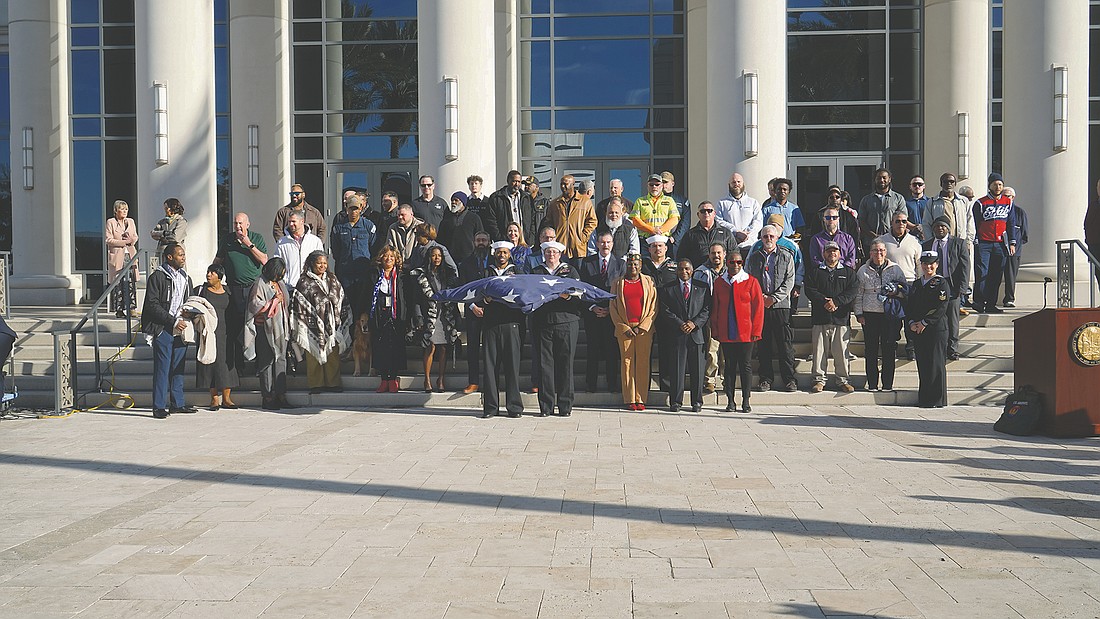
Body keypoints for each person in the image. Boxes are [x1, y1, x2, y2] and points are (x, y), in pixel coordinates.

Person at [141, 243, 195, 419]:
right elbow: (152, 305)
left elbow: (190, 301)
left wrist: (190, 312)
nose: (183, 257)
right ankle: (158, 406)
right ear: (169, 257)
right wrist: (172, 322)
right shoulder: (157, 277)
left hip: (182, 327)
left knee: (178, 366)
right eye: (180, 255)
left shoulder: (186, 278)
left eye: (184, 254)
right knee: (163, 368)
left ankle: (177, 403)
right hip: (163, 328)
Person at [470, 241, 524, 418]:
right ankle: (490, 408)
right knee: (490, 367)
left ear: (510, 254)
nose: (502, 255)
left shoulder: (518, 273)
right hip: (490, 324)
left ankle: (514, 407)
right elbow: (476, 295)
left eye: (505, 253)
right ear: (494, 254)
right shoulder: (485, 273)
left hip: (511, 324)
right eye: (499, 252)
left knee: (512, 367)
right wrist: (484, 302)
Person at [531, 240, 582, 417]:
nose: (551, 255)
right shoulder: (536, 272)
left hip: (566, 322)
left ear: (560, 254)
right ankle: (546, 406)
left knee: (565, 365)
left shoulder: (570, 271)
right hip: (543, 323)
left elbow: (579, 294)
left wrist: (565, 295)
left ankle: (565, 406)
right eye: (547, 252)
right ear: (543, 254)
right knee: (545, 365)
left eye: (554, 252)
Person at [746, 225, 798, 393]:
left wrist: (773, 298)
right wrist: (761, 298)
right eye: (765, 236)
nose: (768, 239)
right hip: (760, 307)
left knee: (785, 345)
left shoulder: (786, 256)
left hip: (781, 306)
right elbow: (749, 278)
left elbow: (789, 281)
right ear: (761, 238)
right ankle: (765, 379)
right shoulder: (754, 257)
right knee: (764, 345)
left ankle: (789, 379)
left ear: (777, 238)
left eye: (771, 236)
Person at [709, 252, 763, 412]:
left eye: (739, 262)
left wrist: (756, 330)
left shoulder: (751, 282)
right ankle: (730, 401)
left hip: (746, 332)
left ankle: (746, 400)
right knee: (730, 366)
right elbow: (715, 308)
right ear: (727, 263)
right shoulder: (720, 283)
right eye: (732, 262)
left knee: (745, 366)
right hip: (727, 331)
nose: (735, 265)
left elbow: (758, 308)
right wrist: (716, 329)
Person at [215, 212, 269, 371]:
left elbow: (264, 260)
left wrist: (248, 244)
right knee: (237, 327)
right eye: (235, 223)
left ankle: (260, 364)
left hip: (254, 288)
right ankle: (239, 366)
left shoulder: (256, 238)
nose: (238, 227)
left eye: (241, 223)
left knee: (257, 325)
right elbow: (219, 260)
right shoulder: (227, 240)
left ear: (248, 224)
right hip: (234, 288)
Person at [804, 242, 860, 393]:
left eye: (835, 251)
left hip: (841, 319)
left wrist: (836, 302)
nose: (832, 254)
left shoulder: (848, 273)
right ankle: (818, 380)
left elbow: (852, 291)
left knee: (842, 352)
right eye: (828, 251)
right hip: (820, 318)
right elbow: (810, 290)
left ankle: (843, 381)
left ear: (840, 254)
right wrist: (824, 301)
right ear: (824, 254)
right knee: (819, 351)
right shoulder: (814, 272)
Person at [854, 240, 907, 392]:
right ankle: (872, 383)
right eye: (876, 251)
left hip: (889, 315)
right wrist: (859, 313)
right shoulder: (863, 270)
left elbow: (905, 289)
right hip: (870, 315)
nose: (879, 253)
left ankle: (887, 384)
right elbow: (858, 294)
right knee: (871, 350)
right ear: (870, 253)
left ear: (886, 252)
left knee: (889, 349)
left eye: (882, 250)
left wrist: (895, 291)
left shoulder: (895, 269)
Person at [660, 258, 712, 412]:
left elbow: (707, 309)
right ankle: (676, 401)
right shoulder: (668, 288)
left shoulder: (702, 287)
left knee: (697, 370)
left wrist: (694, 323)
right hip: (677, 334)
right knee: (677, 369)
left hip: (696, 334)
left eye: (687, 269)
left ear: (692, 270)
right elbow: (665, 309)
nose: (684, 272)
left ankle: (697, 401)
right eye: (681, 269)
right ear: (677, 271)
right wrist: (679, 323)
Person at [292, 250, 345, 395]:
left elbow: (340, 296)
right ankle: (316, 384)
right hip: (311, 324)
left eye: (324, 263)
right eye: (318, 263)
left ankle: (333, 383)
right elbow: (299, 302)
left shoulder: (332, 279)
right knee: (313, 354)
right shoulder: (304, 281)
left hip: (332, 323)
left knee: (332, 354)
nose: (322, 266)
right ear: (311, 264)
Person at [609, 253, 658, 411]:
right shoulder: (617, 283)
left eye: (636, 264)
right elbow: (613, 307)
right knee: (627, 362)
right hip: (625, 328)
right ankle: (629, 397)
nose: (633, 267)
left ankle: (641, 398)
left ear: (641, 265)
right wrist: (623, 327)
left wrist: (642, 326)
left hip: (643, 328)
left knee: (643, 361)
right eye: (630, 264)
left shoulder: (649, 282)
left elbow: (653, 306)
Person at [245, 256, 294, 410]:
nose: (281, 276)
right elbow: (255, 305)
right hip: (265, 328)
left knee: (281, 360)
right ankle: (267, 396)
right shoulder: (259, 283)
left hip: (281, 327)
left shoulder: (279, 283)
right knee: (266, 361)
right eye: (279, 273)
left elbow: (286, 300)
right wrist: (274, 301)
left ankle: (281, 394)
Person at [578, 231, 625, 393]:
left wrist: (609, 309)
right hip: (592, 313)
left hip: (611, 314)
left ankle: (612, 384)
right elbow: (582, 289)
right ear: (597, 244)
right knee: (592, 350)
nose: (605, 245)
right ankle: (590, 384)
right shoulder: (587, 263)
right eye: (602, 242)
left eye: (608, 242)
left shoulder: (620, 264)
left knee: (611, 350)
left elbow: (621, 292)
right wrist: (592, 307)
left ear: (613, 244)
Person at [410, 245, 460, 393]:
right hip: (429, 315)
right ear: (429, 257)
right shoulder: (422, 275)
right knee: (430, 347)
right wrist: (418, 317)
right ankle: (427, 380)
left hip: (445, 315)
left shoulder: (448, 275)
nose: (437, 258)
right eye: (434, 255)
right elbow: (416, 299)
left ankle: (441, 379)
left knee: (443, 348)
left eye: (439, 256)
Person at [922, 216, 971, 361]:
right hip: (933, 283)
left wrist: (962, 288)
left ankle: (952, 348)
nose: (940, 229)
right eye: (937, 226)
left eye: (943, 226)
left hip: (952, 285)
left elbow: (965, 266)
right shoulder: (927, 244)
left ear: (948, 228)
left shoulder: (958, 243)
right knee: (933, 316)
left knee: (952, 319)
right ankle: (936, 347)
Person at [906, 251, 950, 407]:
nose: (928, 267)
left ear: (937, 264)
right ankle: (925, 398)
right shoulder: (917, 284)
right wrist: (912, 322)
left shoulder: (941, 283)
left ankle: (937, 399)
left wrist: (925, 322)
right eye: (925, 264)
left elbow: (941, 307)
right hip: (918, 329)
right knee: (923, 364)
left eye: (931, 263)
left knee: (936, 364)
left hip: (935, 329)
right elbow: (910, 305)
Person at [877, 211, 922, 360]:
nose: (900, 224)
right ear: (892, 222)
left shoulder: (914, 241)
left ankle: (911, 349)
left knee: (910, 317)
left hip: (910, 283)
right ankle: (892, 349)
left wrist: (920, 284)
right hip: (891, 285)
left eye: (903, 221)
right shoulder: (882, 240)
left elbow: (919, 265)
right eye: (897, 221)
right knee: (893, 320)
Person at [194, 264, 239, 410]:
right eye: (208, 272)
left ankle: (226, 398)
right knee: (209, 365)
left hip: (226, 332)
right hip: (208, 332)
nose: (208, 275)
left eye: (212, 273)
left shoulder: (228, 291)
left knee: (225, 365)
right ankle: (214, 398)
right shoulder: (201, 291)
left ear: (219, 276)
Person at [971, 173, 1017, 314]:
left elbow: (1011, 223)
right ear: (989, 185)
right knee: (982, 272)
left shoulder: (1008, 202)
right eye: (995, 184)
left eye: (1000, 184)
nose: (998, 187)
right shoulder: (980, 203)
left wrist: (1012, 242)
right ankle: (978, 302)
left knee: (996, 274)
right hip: (984, 243)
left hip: (1000, 244)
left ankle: (991, 303)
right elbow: (975, 223)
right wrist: (976, 240)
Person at [367, 246, 409, 393]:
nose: (388, 259)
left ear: (396, 259)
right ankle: (384, 379)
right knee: (381, 347)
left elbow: (407, 297)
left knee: (395, 347)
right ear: (381, 258)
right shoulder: (374, 274)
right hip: (379, 314)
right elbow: (366, 294)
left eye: (392, 256)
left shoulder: (402, 276)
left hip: (396, 315)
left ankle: (393, 379)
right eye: (386, 256)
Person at [328, 193, 376, 320]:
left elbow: (373, 246)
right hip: (346, 273)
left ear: (361, 208)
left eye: (356, 208)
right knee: (346, 306)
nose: (353, 211)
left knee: (362, 305)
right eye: (351, 208)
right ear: (346, 208)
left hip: (363, 273)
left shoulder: (368, 226)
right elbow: (336, 250)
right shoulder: (338, 228)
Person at [458, 232, 492, 395]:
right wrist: (472, 306)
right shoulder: (465, 263)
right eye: (478, 240)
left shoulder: (494, 262)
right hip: (473, 311)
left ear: (489, 242)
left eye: (484, 240)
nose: (481, 243)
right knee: (472, 348)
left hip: (491, 311)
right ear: (473, 242)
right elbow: (462, 287)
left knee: (490, 348)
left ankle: (490, 381)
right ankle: (473, 382)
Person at [692, 242, 727, 394]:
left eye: (719, 253)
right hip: (710, 316)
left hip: (728, 316)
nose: (716, 256)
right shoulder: (701, 272)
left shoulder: (732, 271)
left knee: (727, 351)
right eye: (713, 253)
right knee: (712, 350)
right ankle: (710, 380)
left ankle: (727, 379)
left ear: (724, 254)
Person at [545, 174, 598, 263]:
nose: (563, 186)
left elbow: (592, 221)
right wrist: (554, 239)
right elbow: (549, 222)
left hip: (578, 249)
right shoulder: (555, 203)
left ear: (573, 184)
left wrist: (583, 237)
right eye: (561, 184)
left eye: (566, 184)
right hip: (560, 248)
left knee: (578, 275)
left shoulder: (585, 201)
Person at [857, 168, 907, 256]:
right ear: (874, 180)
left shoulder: (898, 198)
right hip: (871, 242)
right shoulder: (866, 200)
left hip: (892, 242)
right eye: (879, 178)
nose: (882, 180)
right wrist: (873, 235)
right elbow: (861, 221)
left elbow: (902, 219)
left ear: (889, 179)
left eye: (884, 177)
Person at [714, 172, 762, 255]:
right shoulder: (722, 203)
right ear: (729, 184)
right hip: (730, 247)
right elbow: (719, 221)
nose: (736, 184)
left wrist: (746, 233)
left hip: (750, 247)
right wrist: (735, 232)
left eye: (739, 182)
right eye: (733, 182)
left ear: (743, 183)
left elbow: (758, 221)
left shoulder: (753, 202)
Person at [678, 201, 736, 270]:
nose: (706, 213)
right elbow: (682, 257)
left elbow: (734, 254)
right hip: (698, 275)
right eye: (703, 211)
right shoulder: (690, 234)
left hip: (722, 274)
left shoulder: (726, 233)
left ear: (714, 213)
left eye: (709, 211)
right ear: (698, 214)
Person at [105, 199, 138, 318]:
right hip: (117, 255)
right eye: (122, 209)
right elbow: (108, 239)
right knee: (118, 282)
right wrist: (123, 242)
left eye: (126, 209)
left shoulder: (131, 221)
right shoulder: (111, 222)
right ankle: (119, 310)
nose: (124, 211)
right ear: (116, 210)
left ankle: (132, 308)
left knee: (130, 282)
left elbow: (135, 236)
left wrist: (131, 240)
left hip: (129, 254)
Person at [275, 210, 325, 288]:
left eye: (293, 221)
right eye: (289, 222)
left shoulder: (315, 241)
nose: (291, 224)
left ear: (302, 221)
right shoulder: (282, 242)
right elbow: (278, 264)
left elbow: (321, 263)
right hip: (290, 287)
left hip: (311, 287)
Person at [630, 174, 680, 247]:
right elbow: (635, 219)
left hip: (663, 239)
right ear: (647, 186)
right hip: (645, 240)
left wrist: (660, 231)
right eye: (651, 185)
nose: (654, 187)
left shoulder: (669, 200)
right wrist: (651, 229)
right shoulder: (640, 201)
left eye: (657, 185)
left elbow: (674, 219)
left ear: (662, 186)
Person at [438, 191, 485, 267]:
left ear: (463, 202)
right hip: (450, 259)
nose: (453, 202)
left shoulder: (474, 218)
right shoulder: (446, 219)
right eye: (452, 200)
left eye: (456, 200)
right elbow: (440, 239)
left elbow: (480, 236)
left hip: (470, 258)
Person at [808, 205, 858, 269]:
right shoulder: (816, 239)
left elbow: (851, 260)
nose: (831, 220)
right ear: (824, 219)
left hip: (844, 273)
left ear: (838, 219)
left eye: (834, 217)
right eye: (828, 217)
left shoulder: (848, 239)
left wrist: (840, 269)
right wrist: (828, 269)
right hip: (823, 272)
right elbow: (815, 261)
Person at [1001, 186, 1028, 308]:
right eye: (1004, 195)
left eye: (1009, 196)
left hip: (1014, 251)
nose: (1007, 198)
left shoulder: (1019, 212)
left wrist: (1014, 246)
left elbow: (1024, 234)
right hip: (998, 248)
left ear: (1013, 197)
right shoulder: (999, 211)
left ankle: (1009, 299)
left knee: (1011, 276)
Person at [484, 170, 529, 241]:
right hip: (504, 241)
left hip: (523, 241)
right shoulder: (496, 198)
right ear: (508, 181)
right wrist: (499, 238)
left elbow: (531, 219)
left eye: (519, 182)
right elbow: (491, 220)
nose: (516, 184)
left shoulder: (526, 198)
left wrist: (530, 238)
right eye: (514, 181)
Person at [662, 171, 692, 248]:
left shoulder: (682, 200)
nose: (663, 185)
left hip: (676, 242)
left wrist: (675, 238)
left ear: (672, 183)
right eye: (661, 182)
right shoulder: (654, 200)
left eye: (665, 182)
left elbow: (685, 222)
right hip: (660, 240)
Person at [369, 190, 400, 257]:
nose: (383, 203)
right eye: (382, 201)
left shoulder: (400, 216)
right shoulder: (381, 216)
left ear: (394, 202)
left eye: (386, 201)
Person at [520, 175, 550, 244]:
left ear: (536, 187)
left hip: (539, 238)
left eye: (529, 185)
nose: (526, 187)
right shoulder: (522, 201)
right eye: (525, 185)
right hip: (525, 238)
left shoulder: (545, 202)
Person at [904, 175, 928, 239]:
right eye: (914, 184)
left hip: (927, 236)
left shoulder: (930, 202)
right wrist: (914, 227)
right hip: (910, 236)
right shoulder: (905, 203)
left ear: (924, 186)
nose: (917, 186)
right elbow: (903, 219)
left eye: (919, 184)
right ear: (910, 187)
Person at [1087, 180, 1100, 285]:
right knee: (1097, 272)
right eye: (1098, 187)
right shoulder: (1093, 205)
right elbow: (1087, 224)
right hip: (1094, 245)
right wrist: (1089, 240)